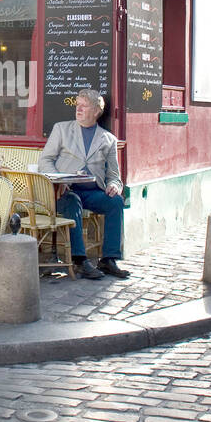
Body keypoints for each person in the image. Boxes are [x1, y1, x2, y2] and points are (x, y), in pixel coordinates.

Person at [38, 87, 127, 280]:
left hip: (93, 192)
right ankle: (80, 261)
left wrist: (114, 186)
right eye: (77, 105)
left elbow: (114, 175)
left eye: (83, 106)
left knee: (116, 202)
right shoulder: (61, 129)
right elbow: (45, 161)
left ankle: (109, 259)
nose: (78, 109)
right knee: (72, 202)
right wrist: (58, 180)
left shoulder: (108, 139)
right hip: (64, 192)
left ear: (96, 111)